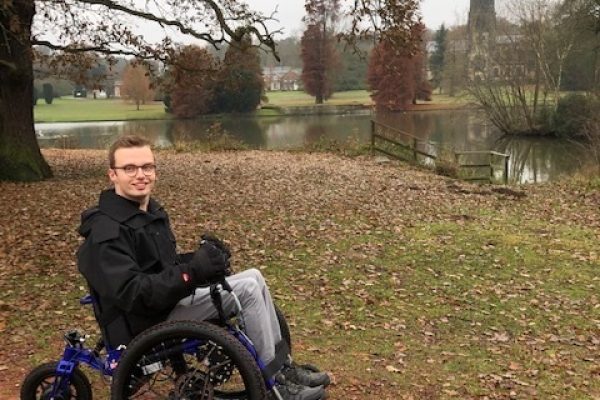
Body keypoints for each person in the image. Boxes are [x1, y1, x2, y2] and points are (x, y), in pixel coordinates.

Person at [77, 135, 330, 400]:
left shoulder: (148, 213)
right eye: (130, 168)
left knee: (253, 276)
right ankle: (275, 386)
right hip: (145, 323)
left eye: (147, 167)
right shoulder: (106, 233)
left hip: (166, 306)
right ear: (112, 175)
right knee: (245, 290)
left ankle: (284, 369)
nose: (141, 175)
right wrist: (192, 271)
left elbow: (163, 267)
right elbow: (136, 293)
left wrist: (205, 261)